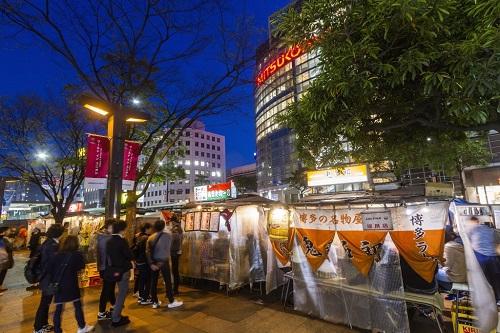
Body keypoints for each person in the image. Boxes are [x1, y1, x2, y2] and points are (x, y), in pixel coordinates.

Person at [47, 235, 94, 333]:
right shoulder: (76, 255)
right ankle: (82, 327)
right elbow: (81, 267)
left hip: (58, 285)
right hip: (71, 284)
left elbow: (50, 270)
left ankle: (57, 330)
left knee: (58, 309)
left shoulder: (57, 255)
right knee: (77, 305)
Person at [34, 223, 65, 333]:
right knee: (44, 303)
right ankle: (38, 327)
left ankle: (44, 324)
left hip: (46, 278)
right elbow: (51, 264)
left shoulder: (48, 242)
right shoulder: (52, 246)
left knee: (45, 303)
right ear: (59, 234)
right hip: (49, 279)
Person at [146, 219, 183, 309]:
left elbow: (147, 251)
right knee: (167, 281)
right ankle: (171, 300)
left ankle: (155, 302)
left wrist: (151, 264)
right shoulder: (168, 236)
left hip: (153, 262)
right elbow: (168, 249)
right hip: (163, 261)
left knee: (153, 282)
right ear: (163, 226)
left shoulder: (150, 237)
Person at [106, 220, 133, 327]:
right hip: (123, 270)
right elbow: (129, 255)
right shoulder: (122, 241)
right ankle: (116, 318)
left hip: (114, 270)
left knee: (119, 292)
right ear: (122, 229)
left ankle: (116, 314)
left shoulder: (109, 241)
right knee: (122, 293)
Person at [467, 216, 500, 302]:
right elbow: (496, 242)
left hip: (481, 257)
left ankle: (490, 300)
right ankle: (497, 298)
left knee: (485, 280)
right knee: (495, 279)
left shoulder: (471, 230)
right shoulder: (491, 230)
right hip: (493, 258)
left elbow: (470, 245)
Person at [96, 219, 115, 321]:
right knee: (106, 290)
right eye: (112, 227)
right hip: (107, 267)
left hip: (105, 267)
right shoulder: (105, 238)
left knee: (110, 288)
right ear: (107, 227)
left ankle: (114, 305)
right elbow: (108, 255)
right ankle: (101, 312)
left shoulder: (102, 237)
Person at [132, 221, 153, 304]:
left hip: (139, 261)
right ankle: (145, 298)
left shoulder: (137, 236)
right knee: (148, 280)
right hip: (145, 261)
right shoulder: (146, 238)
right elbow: (147, 251)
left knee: (141, 279)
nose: (151, 230)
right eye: (150, 228)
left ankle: (141, 296)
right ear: (147, 229)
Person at [170, 216, 183, 295]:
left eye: (171, 222)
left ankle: (175, 289)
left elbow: (172, 243)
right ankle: (175, 288)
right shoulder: (179, 229)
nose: (171, 223)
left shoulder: (175, 230)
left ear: (173, 221)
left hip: (174, 252)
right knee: (175, 271)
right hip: (178, 252)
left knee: (175, 271)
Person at [0, 227, 14, 295]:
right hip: (3, 260)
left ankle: (0, 287)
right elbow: (9, 248)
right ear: (3, 232)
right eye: (8, 230)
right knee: (2, 273)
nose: (9, 232)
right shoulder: (4, 239)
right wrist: (11, 242)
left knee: (2, 273)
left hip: (4, 259)